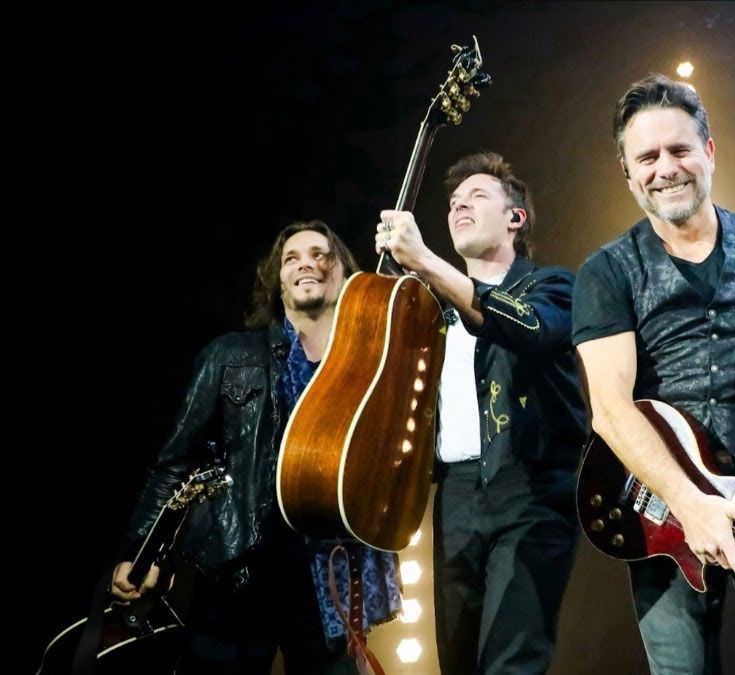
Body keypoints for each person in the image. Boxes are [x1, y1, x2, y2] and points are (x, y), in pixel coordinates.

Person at [572, 74, 735, 674]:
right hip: (661, 505)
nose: (666, 168)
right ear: (628, 174)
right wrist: (689, 502)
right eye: (647, 158)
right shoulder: (608, 272)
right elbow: (610, 410)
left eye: (679, 149)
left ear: (709, 151)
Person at [113, 220, 400, 674]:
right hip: (240, 569)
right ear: (277, 280)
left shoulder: (370, 364)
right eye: (292, 258)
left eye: (321, 254)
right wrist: (140, 552)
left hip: (328, 573)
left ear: (345, 273)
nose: (306, 264)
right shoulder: (229, 356)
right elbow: (175, 461)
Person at [376, 151, 587, 674]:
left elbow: (530, 328)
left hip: (530, 488)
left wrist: (426, 260)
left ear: (515, 218)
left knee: (510, 659)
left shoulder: (553, 286)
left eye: (477, 196)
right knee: (456, 661)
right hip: (455, 494)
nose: (459, 207)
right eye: (453, 202)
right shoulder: (433, 310)